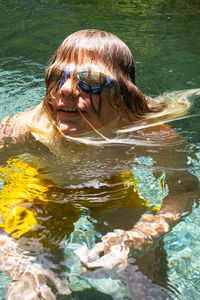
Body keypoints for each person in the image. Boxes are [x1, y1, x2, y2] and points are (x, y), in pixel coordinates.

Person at [0, 29, 199, 299]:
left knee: (149, 286)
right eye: (58, 76)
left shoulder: (150, 136)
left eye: (90, 80)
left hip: (110, 189)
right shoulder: (24, 131)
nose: (66, 89)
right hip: (38, 186)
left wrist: (141, 236)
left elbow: (185, 190)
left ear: (121, 93)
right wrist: (14, 258)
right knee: (31, 285)